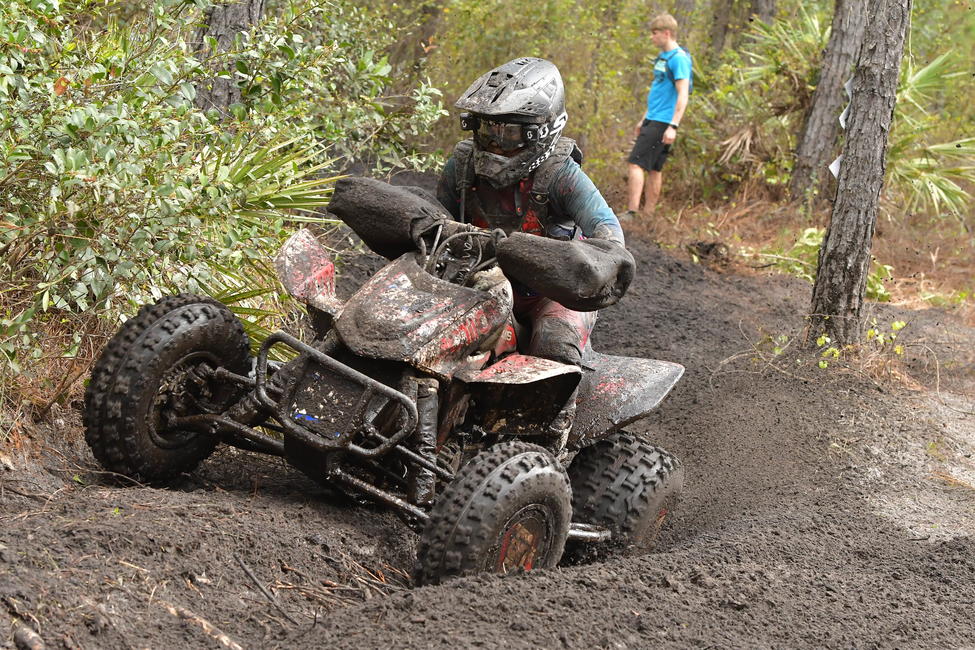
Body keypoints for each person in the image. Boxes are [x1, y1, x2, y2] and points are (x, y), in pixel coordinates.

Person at [436, 57, 625, 448]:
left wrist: (597, 262)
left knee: (554, 348)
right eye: (488, 129)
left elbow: (609, 232)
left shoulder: (562, 174)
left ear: (543, 132)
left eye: (508, 133)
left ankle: (550, 448)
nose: (495, 141)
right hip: (480, 280)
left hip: (551, 293)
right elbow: (437, 216)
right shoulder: (463, 164)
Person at [621, 13, 692, 222]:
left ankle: (632, 213)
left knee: (635, 164)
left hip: (664, 122)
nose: (652, 38)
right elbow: (659, 91)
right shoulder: (663, 58)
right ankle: (648, 216)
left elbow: (683, 94)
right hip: (654, 118)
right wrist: (644, 118)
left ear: (667, 33)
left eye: (655, 33)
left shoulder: (679, 59)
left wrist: (673, 126)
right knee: (654, 168)